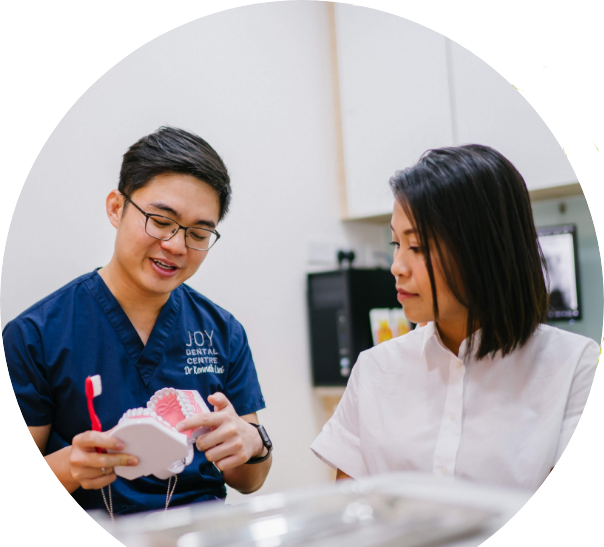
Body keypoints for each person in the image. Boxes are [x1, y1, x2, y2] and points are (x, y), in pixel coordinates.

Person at [3, 126, 272, 515]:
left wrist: (254, 442)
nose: (176, 246)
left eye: (198, 233)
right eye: (161, 221)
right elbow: (13, 492)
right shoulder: (36, 335)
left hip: (201, 546)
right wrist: (70, 466)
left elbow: (250, 480)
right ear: (116, 208)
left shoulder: (222, 331)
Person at [311, 144, 598, 492]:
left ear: (482, 250)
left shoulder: (575, 368)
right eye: (395, 244)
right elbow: (349, 514)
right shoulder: (375, 369)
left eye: (416, 247)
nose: (396, 267)